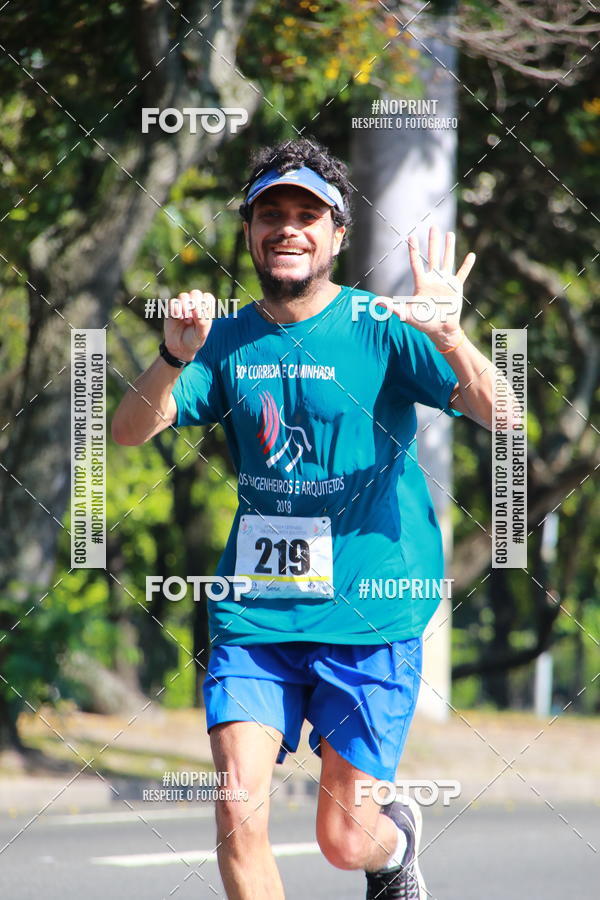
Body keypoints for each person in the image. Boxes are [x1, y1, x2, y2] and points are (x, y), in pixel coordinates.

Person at [112, 137, 497, 899]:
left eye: (307, 214)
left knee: (344, 838)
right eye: (271, 213)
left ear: (337, 235)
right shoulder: (221, 339)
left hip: (370, 611)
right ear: (250, 232)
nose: (288, 227)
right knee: (236, 809)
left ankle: (393, 847)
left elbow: (507, 417)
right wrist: (170, 356)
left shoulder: (382, 326)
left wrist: (450, 334)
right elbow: (128, 430)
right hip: (258, 614)